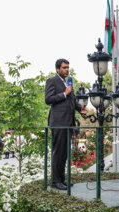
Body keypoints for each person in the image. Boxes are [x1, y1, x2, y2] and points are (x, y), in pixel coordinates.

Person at [45, 58, 87, 190]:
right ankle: (55, 181)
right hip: (58, 122)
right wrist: (64, 93)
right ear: (57, 69)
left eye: (68, 67)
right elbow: (48, 99)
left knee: (64, 153)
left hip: (68, 123)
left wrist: (80, 108)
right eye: (64, 67)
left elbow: (72, 101)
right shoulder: (52, 81)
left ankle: (62, 180)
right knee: (58, 152)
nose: (67, 70)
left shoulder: (68, 83)